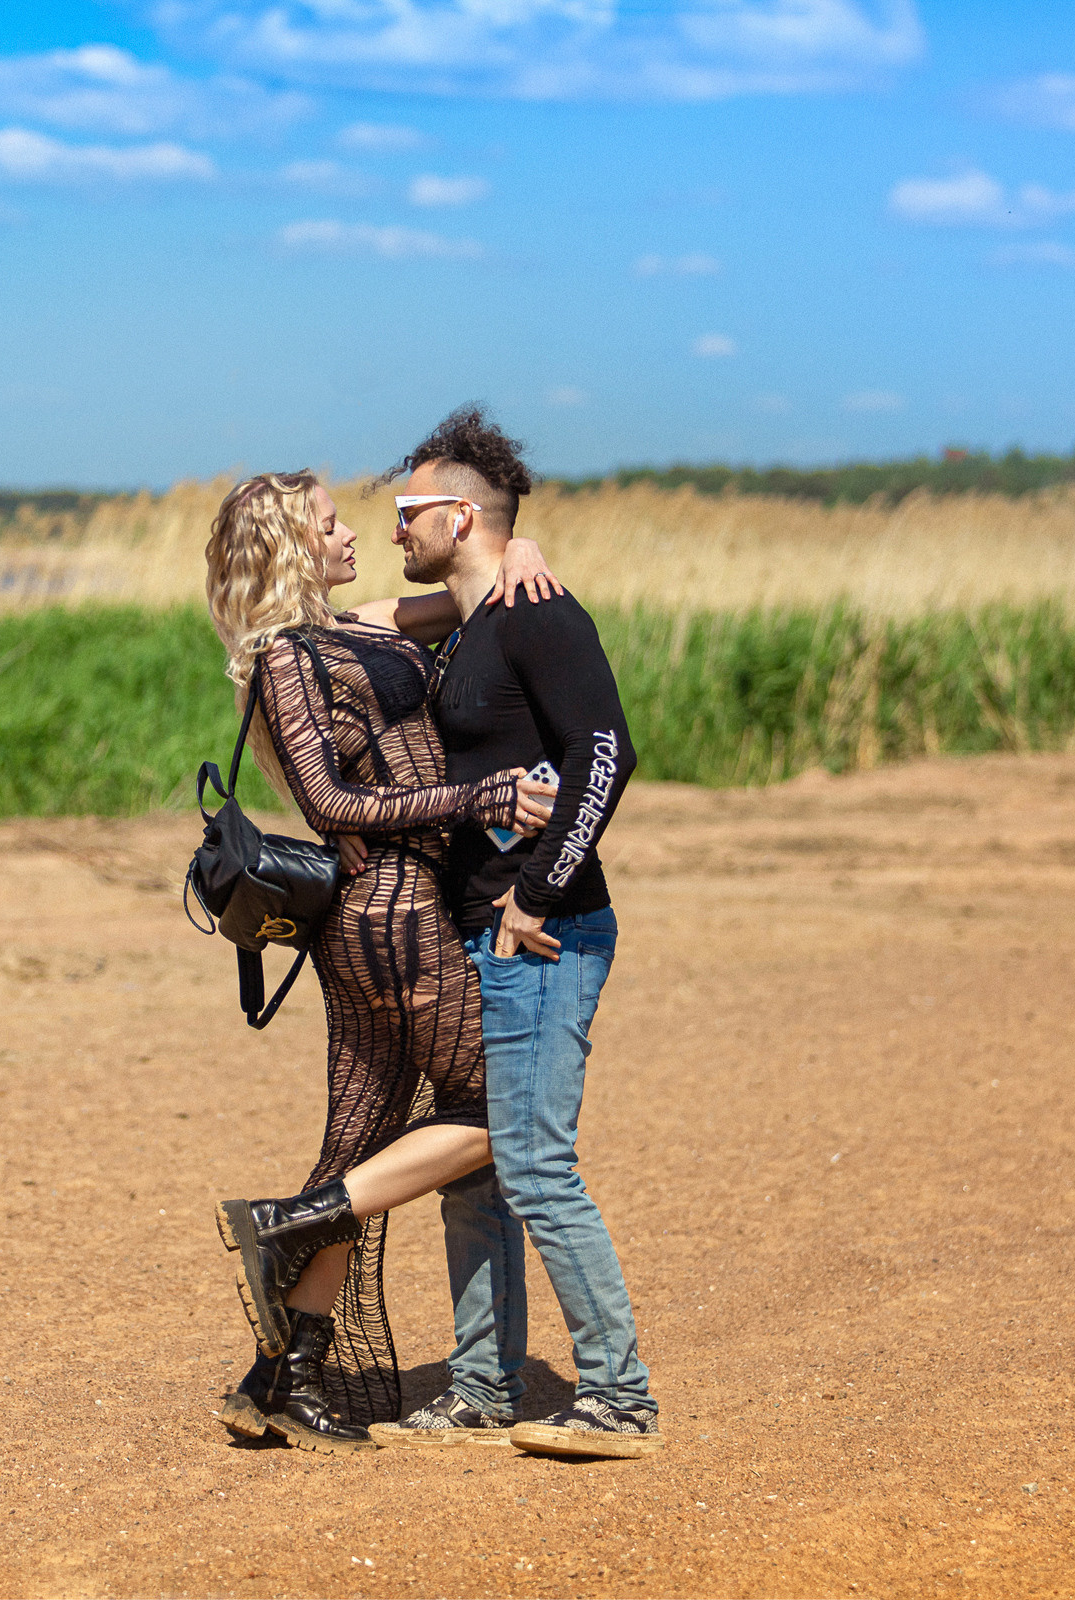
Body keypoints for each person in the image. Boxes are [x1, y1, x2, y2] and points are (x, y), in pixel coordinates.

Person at [200, 470, 562, 1452]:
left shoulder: (360, 623)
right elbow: (331, 806)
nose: (352, 533)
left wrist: (518, 550)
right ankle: (290, 1219)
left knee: (363, 1148)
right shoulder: (283, 660)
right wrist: (476, 800)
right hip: (388, 917)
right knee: (504, 1109)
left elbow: (473, 588)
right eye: (329, 525)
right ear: (291, 549)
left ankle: (280, 1378)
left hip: (379, 917)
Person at [375, 405, 663, 1459]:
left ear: (459, 513)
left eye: (408, 510)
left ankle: (620, 1397)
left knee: (537, 1164)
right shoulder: (463, 623)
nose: (395, 526)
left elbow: (607, 754)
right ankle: (487, 1384)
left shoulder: (540, 614)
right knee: (475, 1172)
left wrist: (537, 892)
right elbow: (353, 614)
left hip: (545, 936)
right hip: (478, 938)